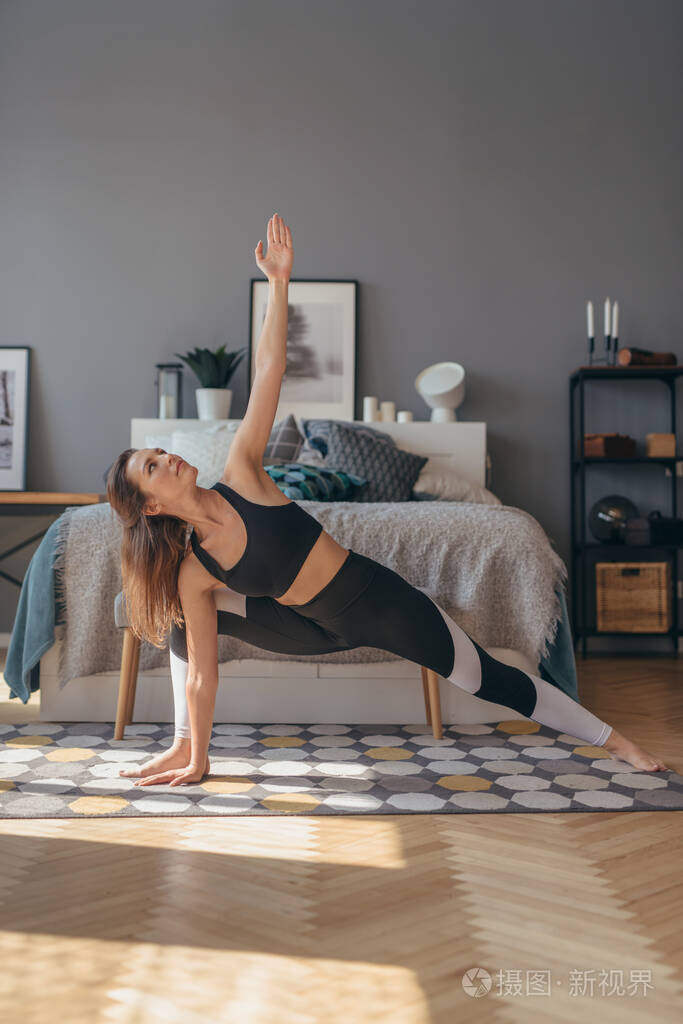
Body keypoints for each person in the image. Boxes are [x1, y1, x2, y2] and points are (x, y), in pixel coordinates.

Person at [106, 214, 669, 786]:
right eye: (153, 466)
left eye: (159, 451)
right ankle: (183, 750)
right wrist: (200, 755)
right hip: (306, 628)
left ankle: (615, 742)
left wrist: (279, 283)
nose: (166, 457)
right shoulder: (193, 572)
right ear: (150, 505)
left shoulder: (242, 474)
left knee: (486, 678)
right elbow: (202, 675)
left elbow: (271, 369)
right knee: (182, 624)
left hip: (377, 602)